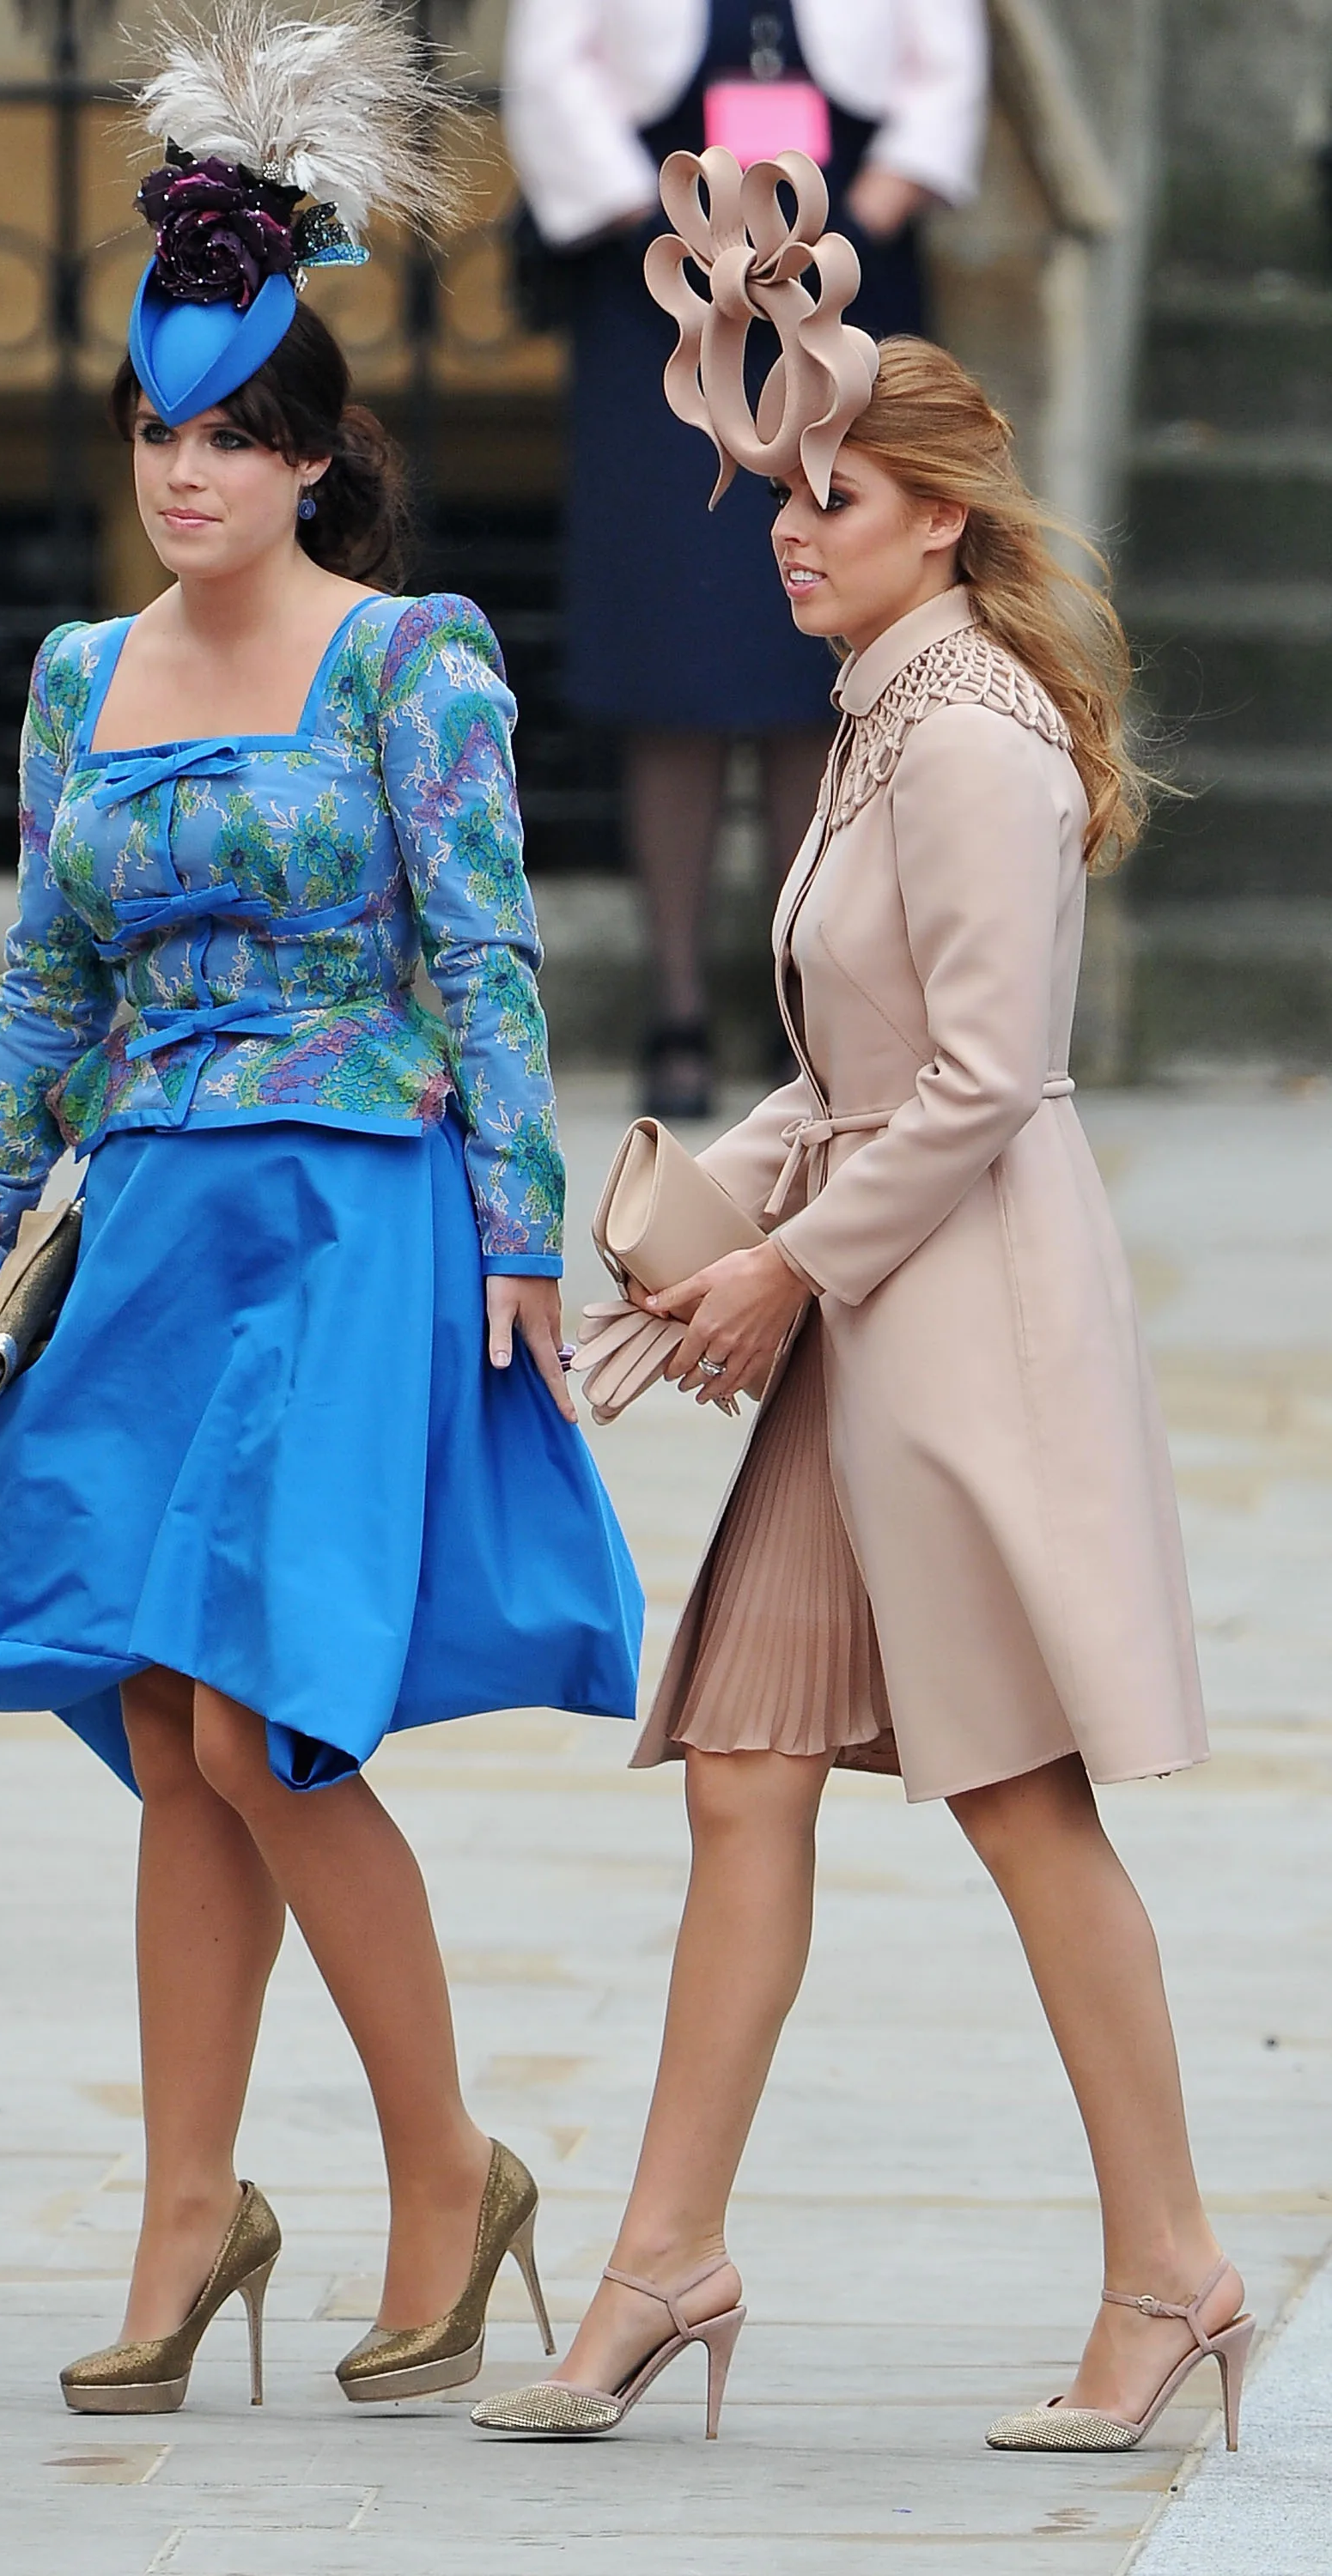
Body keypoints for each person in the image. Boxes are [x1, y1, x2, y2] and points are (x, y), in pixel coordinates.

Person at [474, 149, 1254, 2453]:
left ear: (939, 516)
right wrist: (716, 1240)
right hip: (861, 1333)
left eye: (832, 493)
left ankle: (1174, 2274)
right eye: (778, 490)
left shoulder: (972, 735)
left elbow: (997, 1078)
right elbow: (865, 1066)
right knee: (741, 1784)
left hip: (958, 1348)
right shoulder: (878, 715)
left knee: (1020, 1812)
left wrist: (778, 1270)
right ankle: (660, 2262)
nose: (788, 525)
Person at [0, 3, 642, 2418]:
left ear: (319, 459)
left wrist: (521, 1243)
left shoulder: (409, 664)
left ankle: (444, 2170)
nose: (189, 472)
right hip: (154, 1230)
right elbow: (46, 981)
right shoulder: (75, 680)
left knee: (261, 1718)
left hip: (356, 1218)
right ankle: (189, 2206)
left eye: (237, 434)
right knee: (153, 1699)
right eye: (158, 429)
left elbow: (489, 963)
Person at [502, 0, 988, 1116]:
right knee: (671, 646)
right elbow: (552, 63)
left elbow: (945, 69)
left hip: (848, 287)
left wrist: (858, 221)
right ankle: (673, 1001)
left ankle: (810, 1009)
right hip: (658, 295)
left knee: (820, 655)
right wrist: (652, 226)